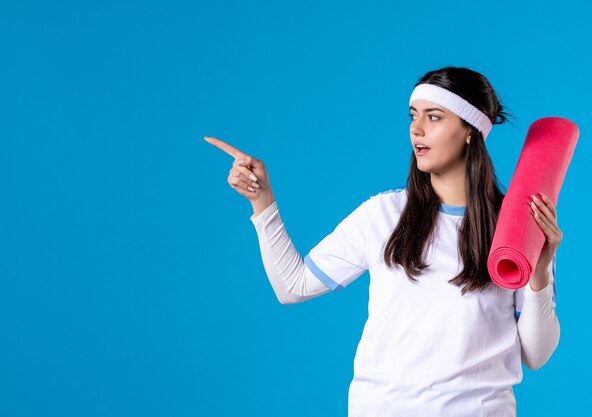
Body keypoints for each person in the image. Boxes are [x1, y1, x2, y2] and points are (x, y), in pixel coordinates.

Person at [205, 66, 561, 417]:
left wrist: (540, 273)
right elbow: (292, 286)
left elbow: (535, 355)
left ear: (471, 131)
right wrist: (262, 202)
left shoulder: (514, 228)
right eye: (413, 116)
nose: (416, 129)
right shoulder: (382, 215)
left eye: (434, 117)